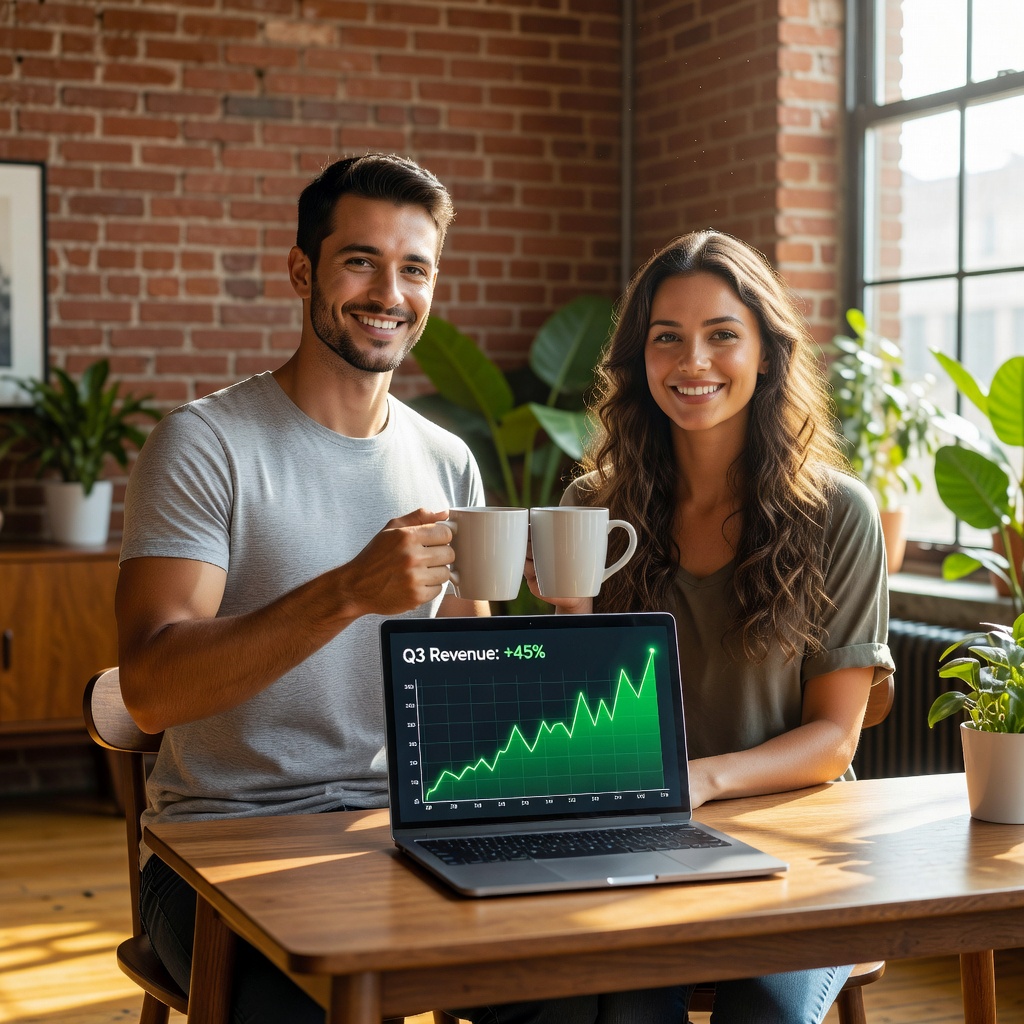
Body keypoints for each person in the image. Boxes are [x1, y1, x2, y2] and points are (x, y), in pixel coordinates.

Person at [116, 153, 496, 1023]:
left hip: (398, 837)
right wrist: (349, 591)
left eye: (415, 268)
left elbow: (468, 689)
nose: (388, 293)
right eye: (361, 260)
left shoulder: (447, 461)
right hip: (219, 851)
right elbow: (149, 687)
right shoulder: (203, 444)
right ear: (302, 271)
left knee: (587, 987)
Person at [526, 229, 896, 1024]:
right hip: (640, 842)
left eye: (722, 335)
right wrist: (568, 609)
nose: (692, 362)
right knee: (627, 1009)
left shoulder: (839, 514)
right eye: (668, 339)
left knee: (761, 1010)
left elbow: (836, 738)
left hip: (798, 845)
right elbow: (576, 727)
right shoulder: (596, 506)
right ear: (640, 361)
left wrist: (701, 780)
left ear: (766, 354)